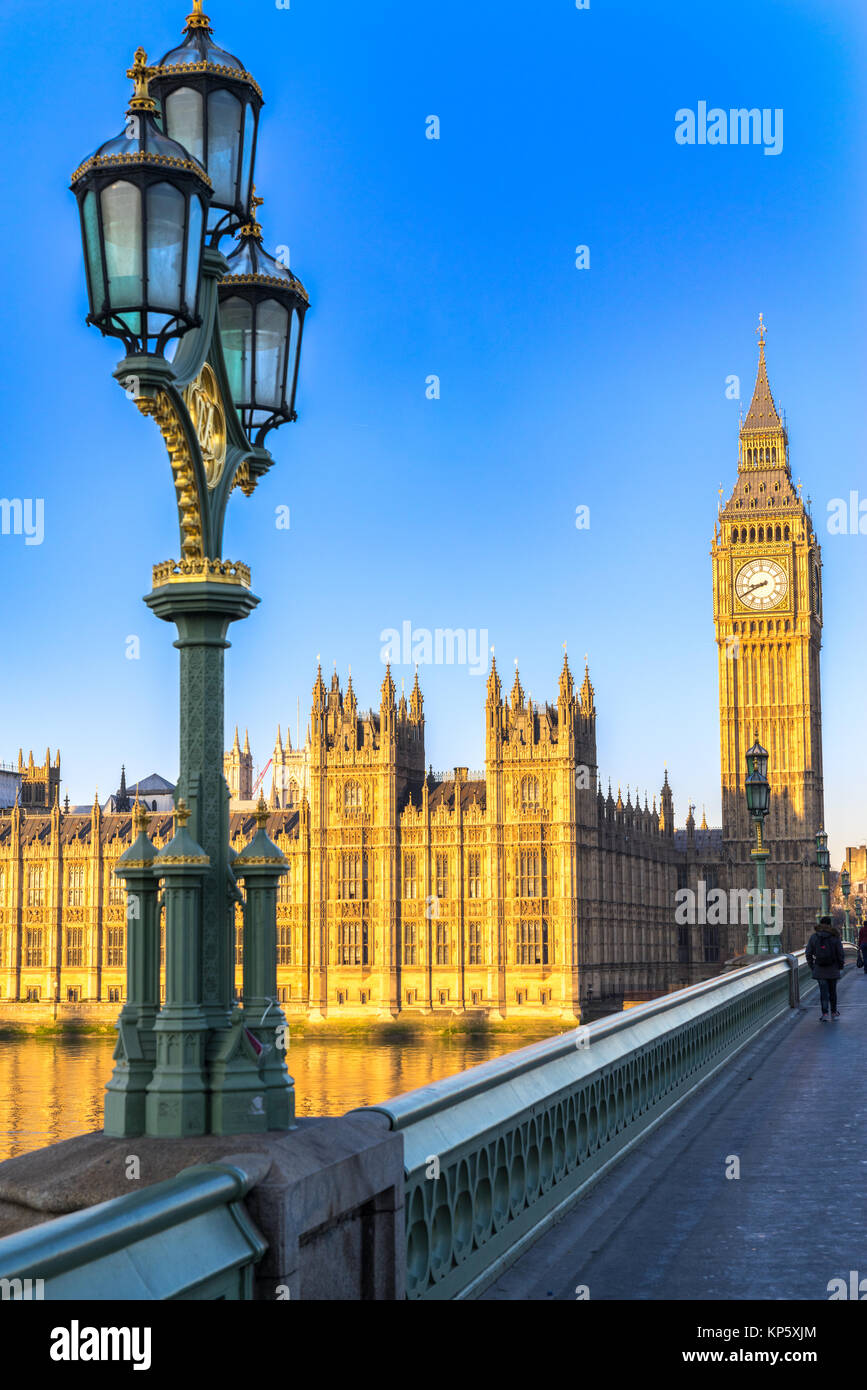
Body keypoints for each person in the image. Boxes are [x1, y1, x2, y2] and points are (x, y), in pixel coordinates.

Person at [805, 916, 844, 1020]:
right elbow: (840, 953)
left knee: (823, 992)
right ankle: (834, 1012)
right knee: (832, 991)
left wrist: (812, 966)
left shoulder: (814, 937)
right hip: (833, 968)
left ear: (820, 924)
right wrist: (840, 965)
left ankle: (825, 1013)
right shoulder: (835, 936)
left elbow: (808, 953)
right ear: (830, 924)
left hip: (820, 968)